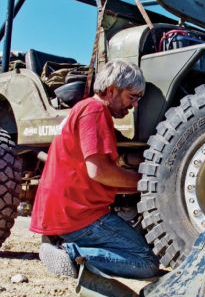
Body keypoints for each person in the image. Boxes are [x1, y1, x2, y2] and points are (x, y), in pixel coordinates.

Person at [30, 59, 160, 279]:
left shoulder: (83, 109)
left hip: (67, 212)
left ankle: (63, 241)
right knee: (146, 262)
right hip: (79, 215)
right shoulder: (95, 110)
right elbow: (99, 171)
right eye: (132, 96)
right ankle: (70, 253)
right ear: (111, 90)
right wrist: (147, 183)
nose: (135, 105)